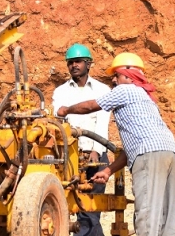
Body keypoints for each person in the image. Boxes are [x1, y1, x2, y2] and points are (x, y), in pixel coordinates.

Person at [58, 52, 175, 236]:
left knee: (147, 215)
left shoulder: (125, 90)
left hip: (150, 156)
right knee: (166, 217)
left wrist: (66, 110)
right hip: (172, 153)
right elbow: (135, 148)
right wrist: (108, 171)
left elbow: (91, 106)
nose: (114, 80)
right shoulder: (147, 99)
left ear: (129, 76)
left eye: (116, 75)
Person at [51, 43, 112, 236]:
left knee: (91, 208)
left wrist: (96, 150)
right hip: (69, 157)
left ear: (88, 64)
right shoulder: (61, 92)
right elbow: (56, 121)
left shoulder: (102, 90)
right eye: (70, 62)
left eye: (77, 61)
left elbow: (102, 122)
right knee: (72, 204)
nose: (73, 65)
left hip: (96, 155)